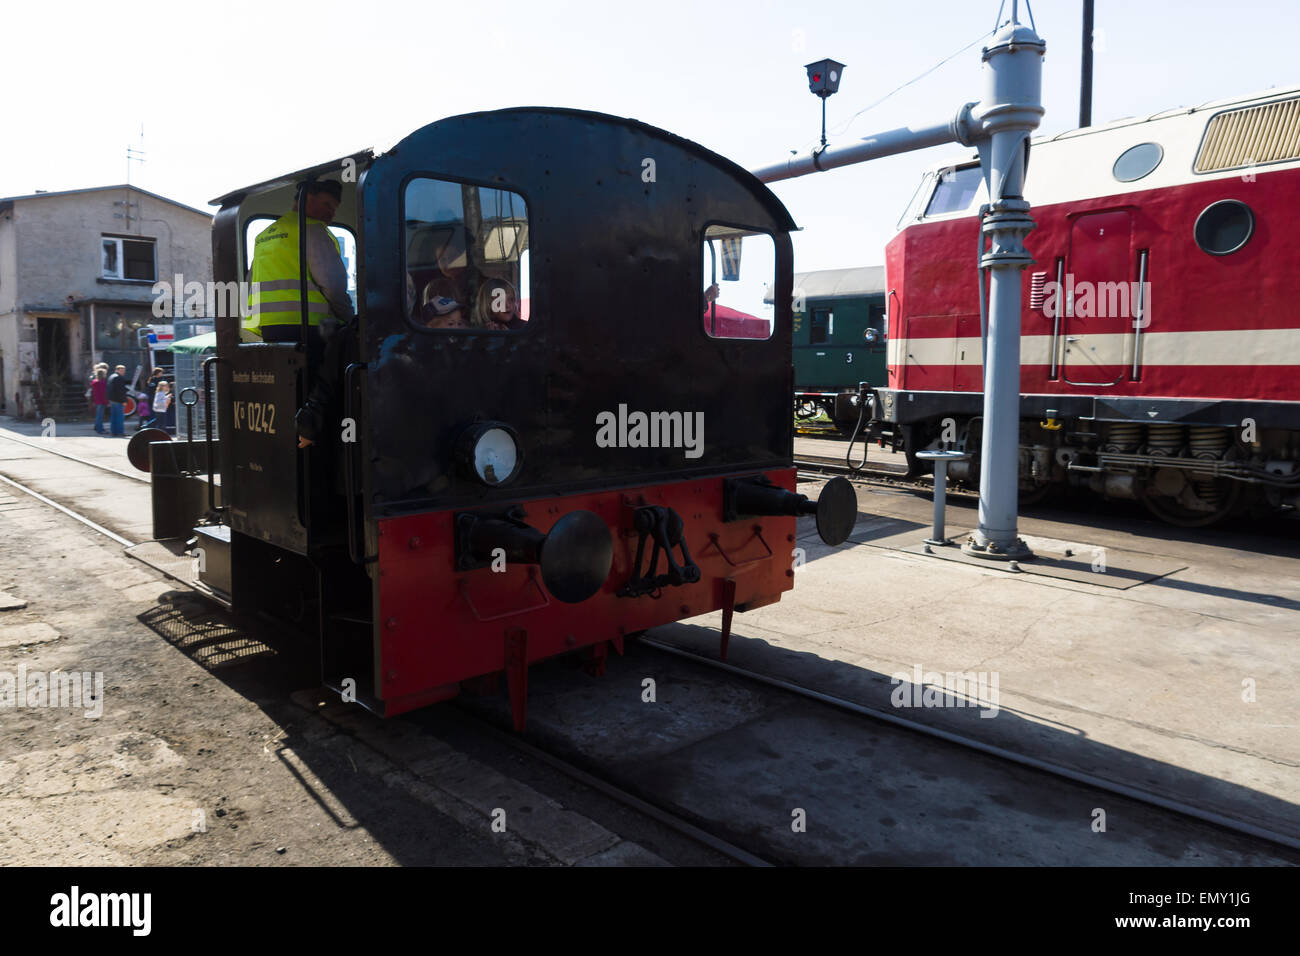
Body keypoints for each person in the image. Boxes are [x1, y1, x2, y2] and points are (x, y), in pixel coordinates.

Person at [244, 180, 353, 349]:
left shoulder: (263, 236)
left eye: (334, 209)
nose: (331, 213)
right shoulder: (312, 230)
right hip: (311, 327)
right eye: (327, 204)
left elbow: (250, 283)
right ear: (306, 198)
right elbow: (333, 285)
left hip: (270, 328)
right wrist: (349, 319)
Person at [106, 365, 129, 436]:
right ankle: (120, 432)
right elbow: (120, 391)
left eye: (124, 371)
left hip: (112, 399)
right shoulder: (119, 378)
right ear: (117, 370)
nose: (123, 372)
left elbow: (109, 389)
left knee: (113, 417)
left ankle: (114, 431)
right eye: (122, 370)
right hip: (118, 400)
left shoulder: (111, 377)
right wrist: (124, 400)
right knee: (120, 417)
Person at [90, 367, 109, 434]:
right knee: (100, 416)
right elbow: (103, 393)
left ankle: (98, 428)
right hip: (101, 401)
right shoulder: (102, 382)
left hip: (97, 401)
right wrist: (106, 402)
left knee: (98, 416)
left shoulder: (94, 382)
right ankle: (100, 430)